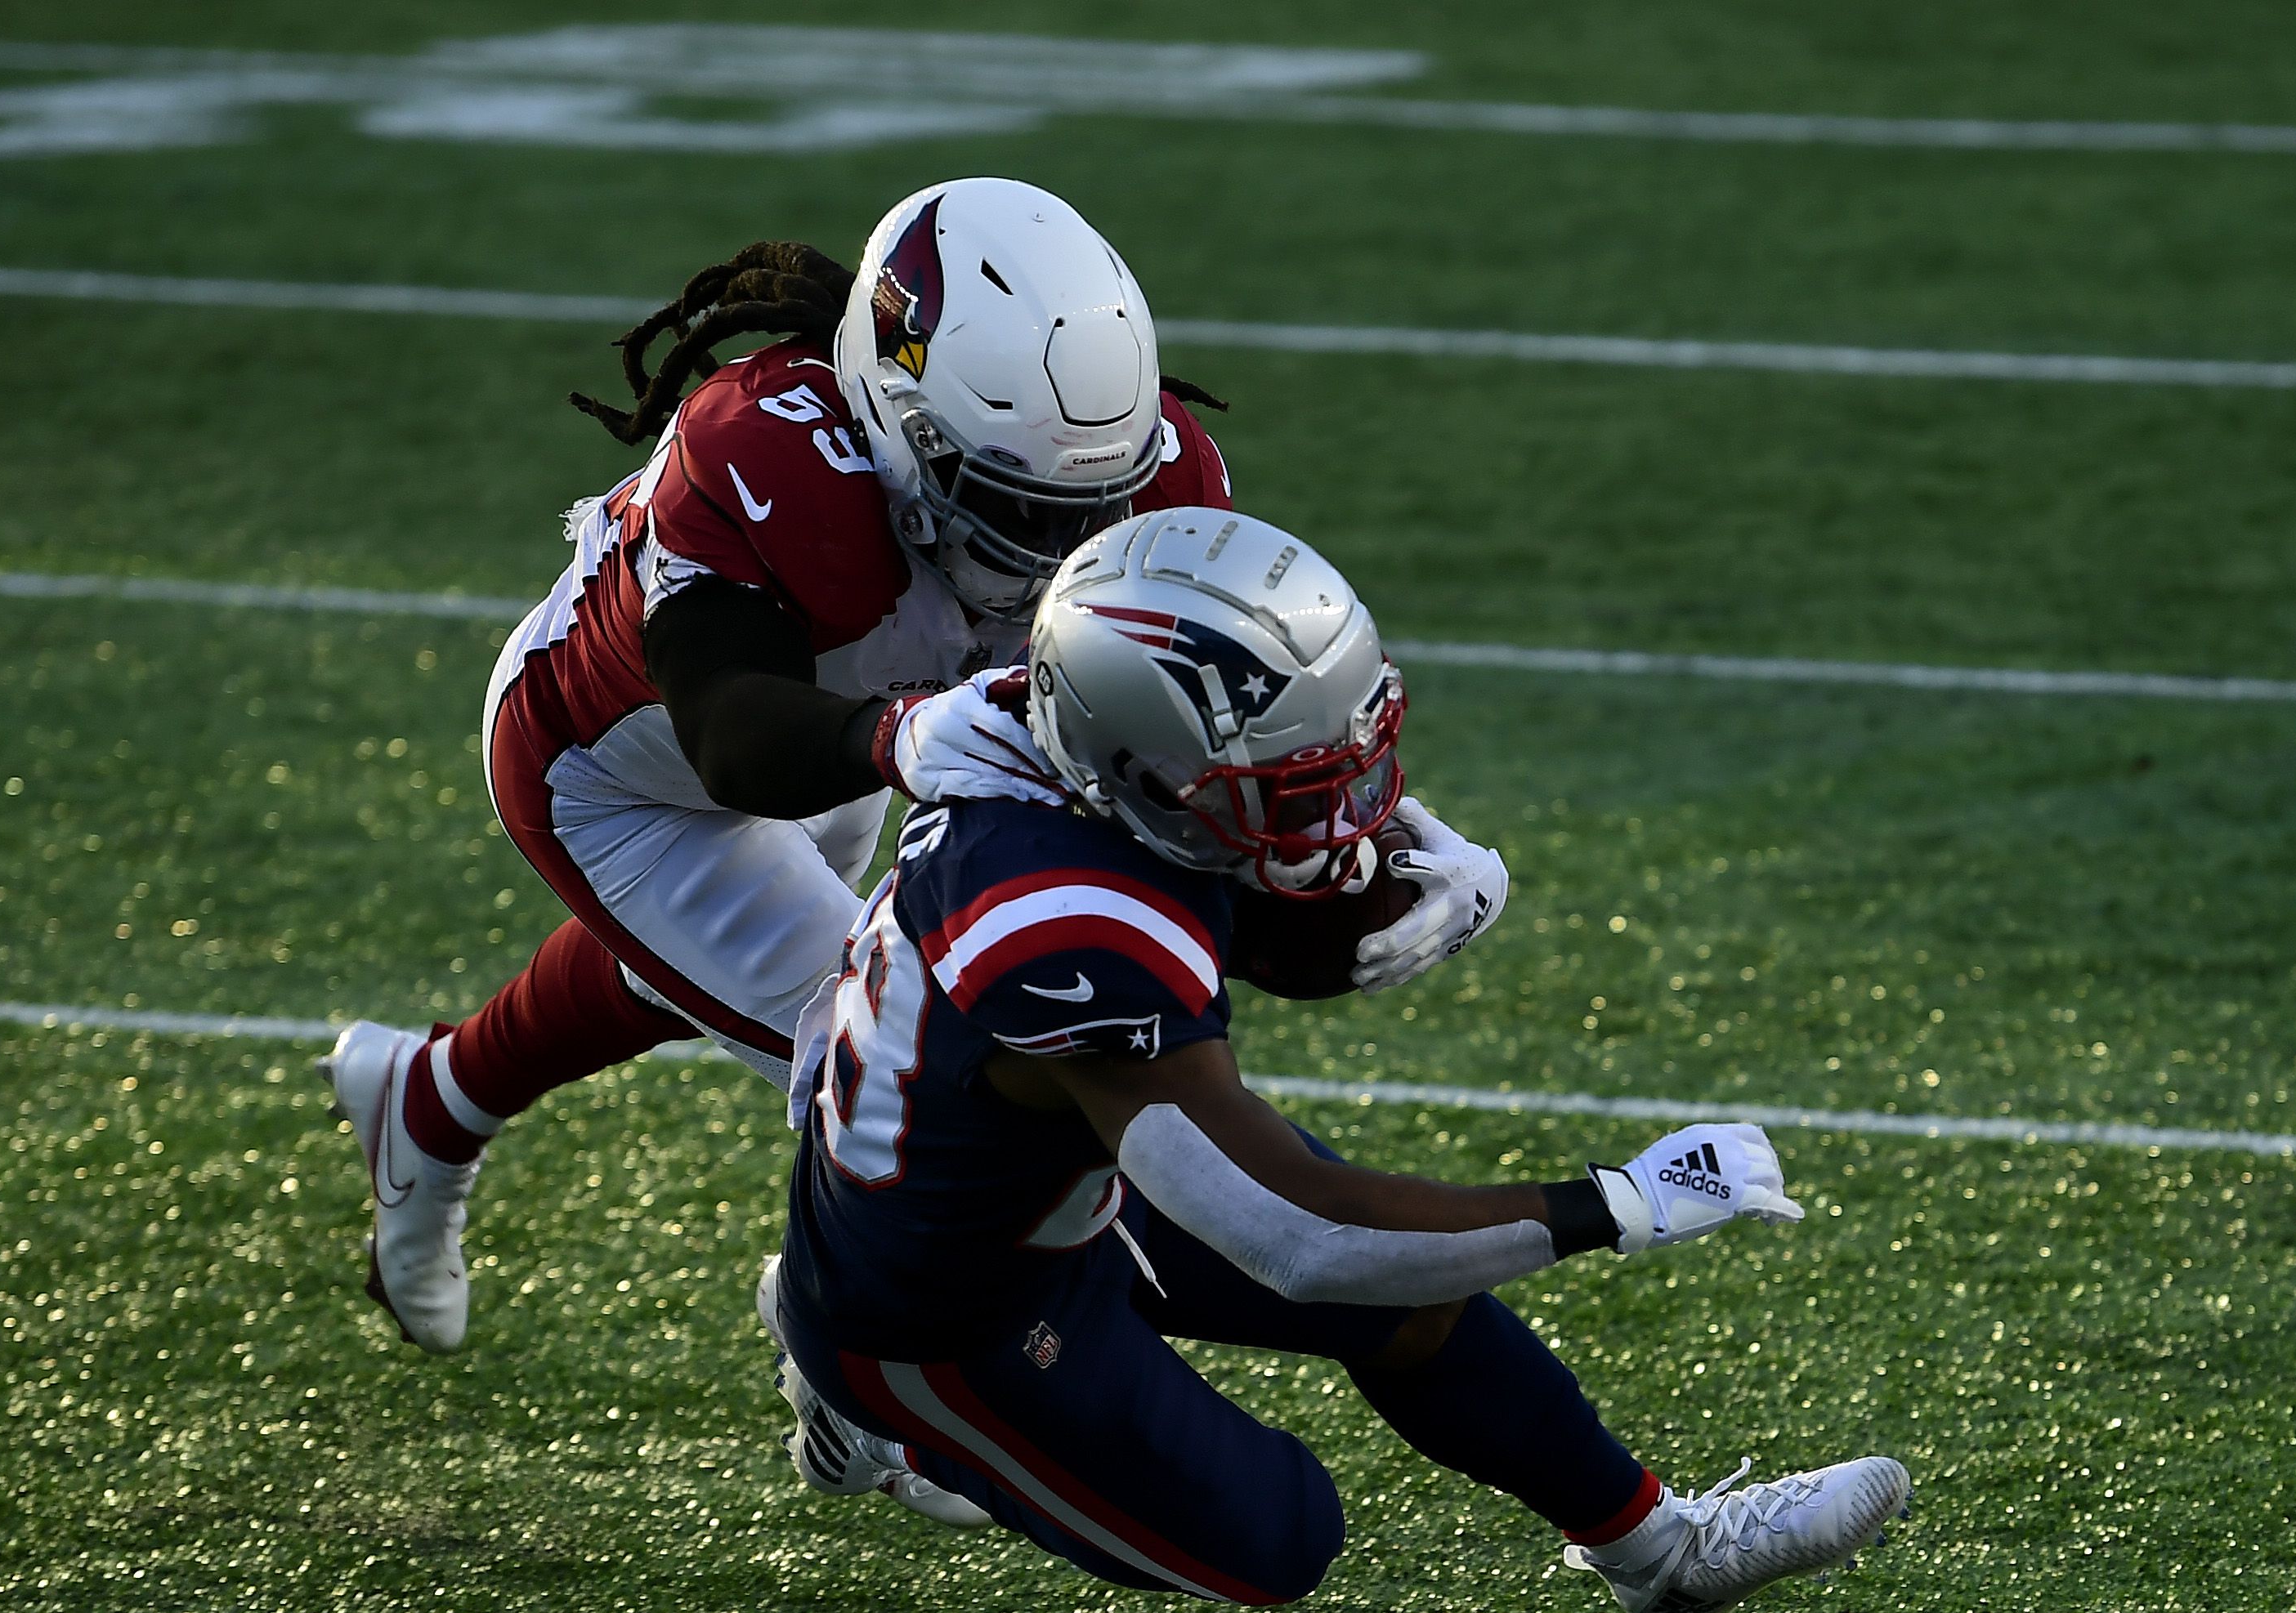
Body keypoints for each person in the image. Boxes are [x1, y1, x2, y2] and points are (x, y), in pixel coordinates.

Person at [317, 179, 1511, 1356]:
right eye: (1016, 504)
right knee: (906, 1048)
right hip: (626, 777)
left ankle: (427, 1098)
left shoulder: (1158, 471)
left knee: (707, 966)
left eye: (1093, 508)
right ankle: (848, 1354)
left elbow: (1209, 703)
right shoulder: (764, 456)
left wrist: (1389, 826)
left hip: (860, 737)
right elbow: (729, 733)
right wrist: (893, 737)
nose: (1063, 551)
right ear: (902, 426)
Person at [762, 507, 1909, 1613]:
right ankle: (883, 1428)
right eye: (1301, 786)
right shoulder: (1061, 915)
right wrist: (1615, 1205)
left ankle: (1661, 1556)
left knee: (1412, 1307)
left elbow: (1244, 902)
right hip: (938, 1308)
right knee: (1279, 1533)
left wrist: (1426, 866)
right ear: (1143, 774)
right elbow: (1303, 1241)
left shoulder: (1072, 750)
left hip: (1047, 1180)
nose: (1351, 815)